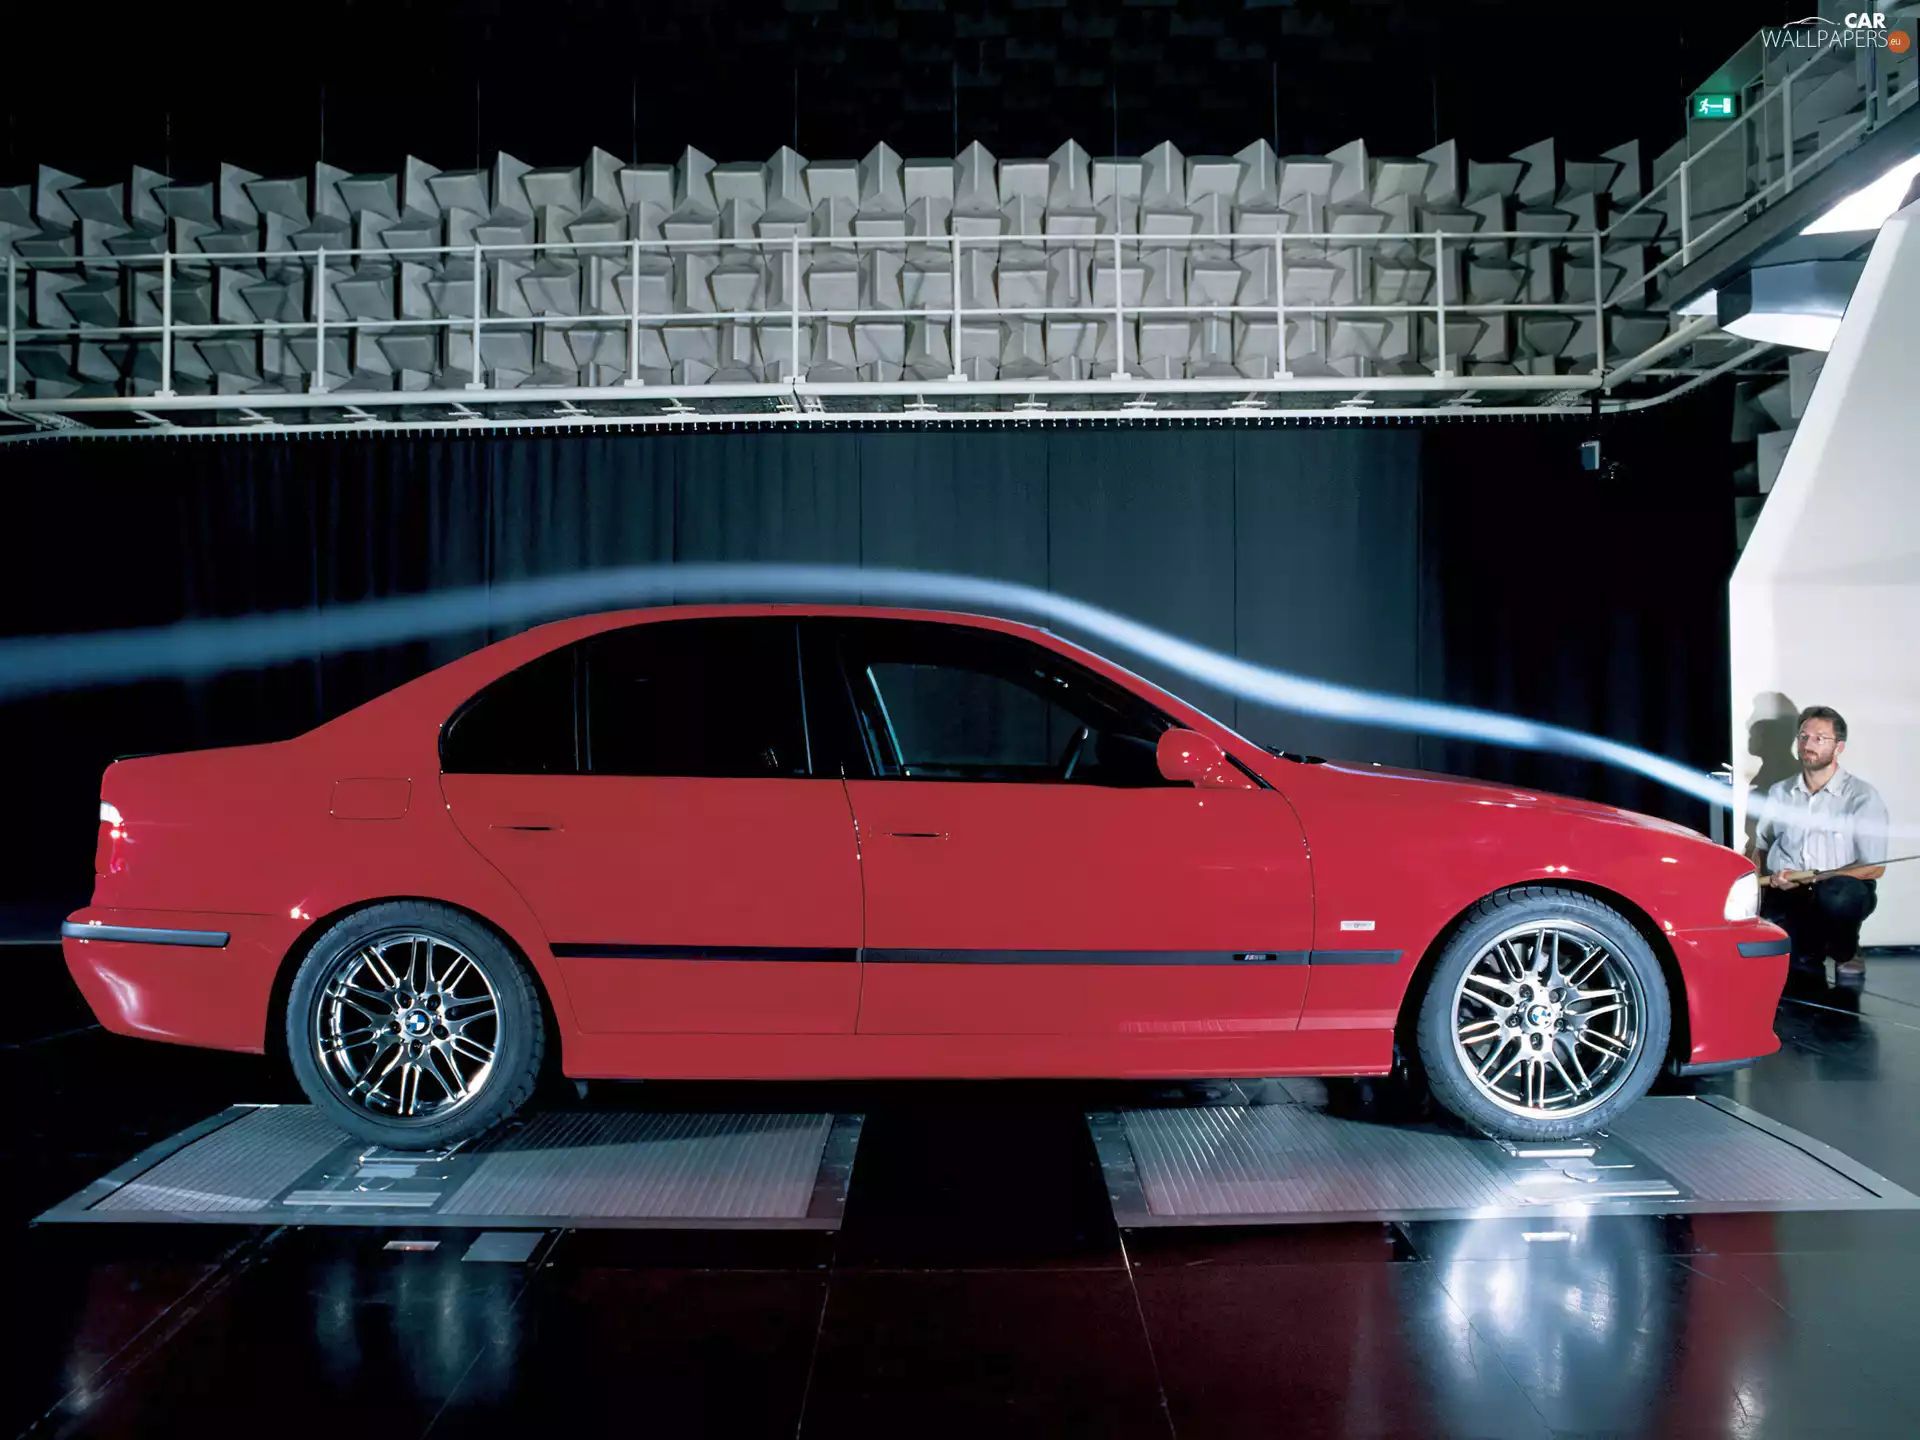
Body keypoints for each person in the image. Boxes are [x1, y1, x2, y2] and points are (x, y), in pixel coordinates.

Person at [1751, 706, 1889, 981]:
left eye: (1819, 738)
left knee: (1837, 897)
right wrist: (1758, 891)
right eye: (1803, 736)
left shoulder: (1861, 796)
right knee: (1785, 959)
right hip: (1788, 893)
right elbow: (1761, 847)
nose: (1807, 744)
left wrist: (1817, 878)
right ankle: (1810, 948)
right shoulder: (1781, 792)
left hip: (1839, 890)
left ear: (1839, 747)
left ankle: (1845, 951)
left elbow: (1874, 868)